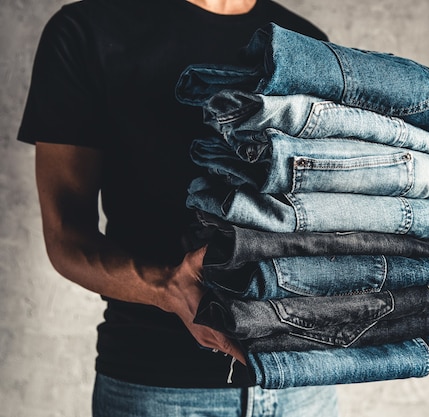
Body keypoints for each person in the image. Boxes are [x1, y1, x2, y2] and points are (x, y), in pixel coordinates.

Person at [18, 0, 338, 415]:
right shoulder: (86, 30)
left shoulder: (305, 42)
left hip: (303, 383)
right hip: (159, 386)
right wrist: (167, 288)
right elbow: (66, 237)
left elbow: (323, 210)